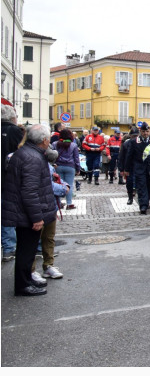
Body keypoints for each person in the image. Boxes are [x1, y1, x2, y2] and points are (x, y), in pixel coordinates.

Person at [1, 124, 58, 296]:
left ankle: (27, 280)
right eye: (48, 138)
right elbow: (29, 191)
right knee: (26, 251)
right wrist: (37, 218)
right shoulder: (32, 157)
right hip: (26, 214)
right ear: (44, 140)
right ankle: (23, 285)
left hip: (23, 212)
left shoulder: (27, 153)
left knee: (28, 250)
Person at [30, 147, 67, 282]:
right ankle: (31, 270)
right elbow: (47, 185)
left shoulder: (48, 165)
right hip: (38, 205)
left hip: (50, 206)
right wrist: (63, 188)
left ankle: (48, 266)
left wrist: (64, 185)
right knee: (33, 240)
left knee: (49, 238)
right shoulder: (33, 162)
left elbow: (56, 180)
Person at [1, 104, 24, 261]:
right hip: (10, 177)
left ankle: (7, 247)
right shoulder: (14, 131)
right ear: (12, 118)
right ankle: (10, 247)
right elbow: (21, 152)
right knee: (9, 212)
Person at [125, 122, 150, 214]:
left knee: (149, 186)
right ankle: (143, 205)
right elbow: (129, 155)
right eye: (143, 131)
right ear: (140, 131)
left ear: (149, 131)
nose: (145, 133)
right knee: (141, 186)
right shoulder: (134, 142)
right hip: (139, 167)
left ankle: (147, 201)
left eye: (147, 131)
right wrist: (126, 169)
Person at [52, 129, 81, 210]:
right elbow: (76, 158)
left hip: (58, 166)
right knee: (70, 185)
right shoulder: (73, 145)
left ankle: (59, 203)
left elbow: (52, 156)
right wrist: (78, 168)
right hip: (70, 166)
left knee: (58, 184)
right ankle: (69, 203)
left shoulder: (55, 144)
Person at [120, 127, 139, 205]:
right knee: (129, 183)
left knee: (141, 183)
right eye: (133, 136)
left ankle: (143, 201)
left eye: (136, 136)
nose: (134, 137)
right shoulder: (126, 144)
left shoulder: (141, 142)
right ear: (130, 136)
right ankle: (130, 197)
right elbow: (122, 157)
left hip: (139, 166)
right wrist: (121, 169)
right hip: (129, 167)